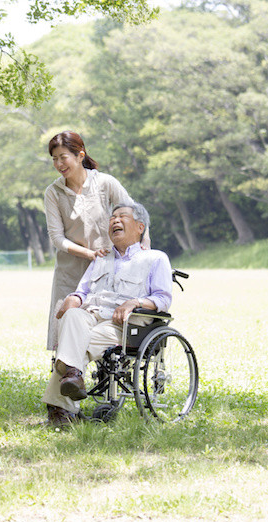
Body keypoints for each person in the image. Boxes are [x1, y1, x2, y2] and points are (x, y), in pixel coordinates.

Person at [42, 202, 172, 426]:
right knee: (72, 315)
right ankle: (73, 375)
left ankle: (60, 411)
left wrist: (136, 302)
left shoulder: (155, 258)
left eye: (122, 217)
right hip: (90, 316)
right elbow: (83, 290)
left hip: (123, 325)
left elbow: (163, 299)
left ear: (140, 227)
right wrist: (75, 298)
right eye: (112, 218)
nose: (115, 221)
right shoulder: (100, 258)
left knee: (72, 344)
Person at [44, 130, 139, 351]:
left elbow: (132, 213)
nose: (59, 163)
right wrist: (89, 254)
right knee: (65, 322)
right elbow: (57, 238)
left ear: (80, 155)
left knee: (103, 323)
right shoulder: (53, 192)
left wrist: (141, 249)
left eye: (63, 157)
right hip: (70, 272)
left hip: (108, 268)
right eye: (54, 159)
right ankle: (66, 376)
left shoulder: (105, 183)